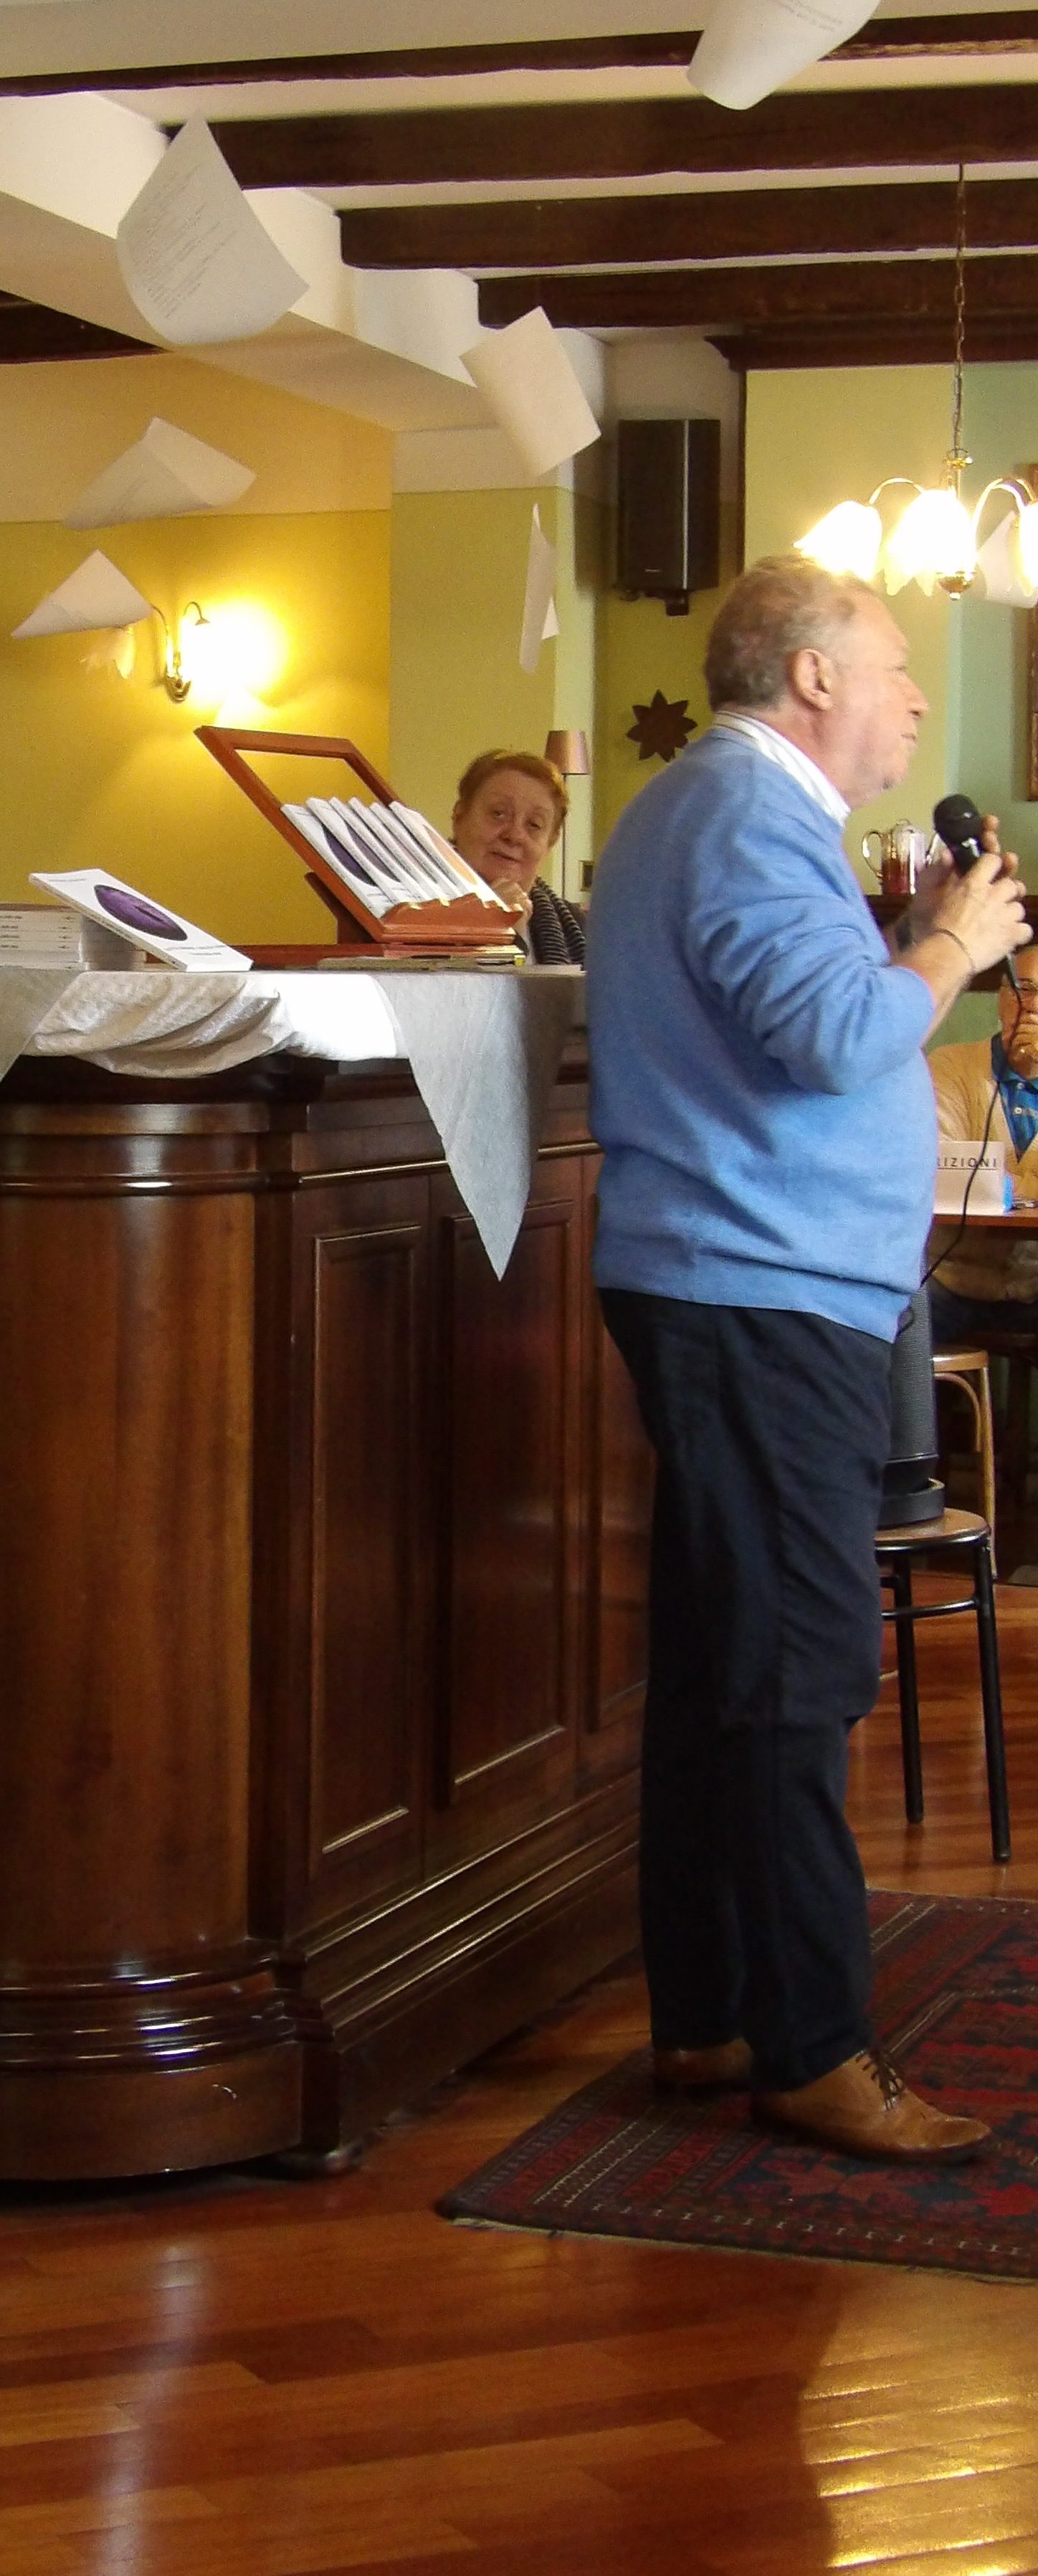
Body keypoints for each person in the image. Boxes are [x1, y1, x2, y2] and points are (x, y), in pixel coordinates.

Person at [586, 551, 1029, 2164]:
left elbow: (806, 1015)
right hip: (758, 1299)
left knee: (727, 1664)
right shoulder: (745, 813)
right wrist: (952, 946)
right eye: (895, 662)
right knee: (796, 1671)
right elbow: (838, 1039)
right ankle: (815, 2049)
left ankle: (709, 2013)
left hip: (750, 1290)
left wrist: (907, 937)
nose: (914, 695)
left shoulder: (736, 813)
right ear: (814, 675)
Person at [925, 944, 1038, 1339]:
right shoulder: (950, 1067)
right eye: (1024, 988)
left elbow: (985, 1182)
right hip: (951, 1279)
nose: (1032, 1007)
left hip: (1034, 1286)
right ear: (1001, 999)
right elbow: (943, 1173)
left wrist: (1001, 1183)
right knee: (895, 1315)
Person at [450, 748, 585, 961]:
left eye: (534, 824)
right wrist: (496, 932)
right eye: (498, 814)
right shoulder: (406, 914)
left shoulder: (578, 928)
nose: (514, 835)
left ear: (551, 841)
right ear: (460, 817)